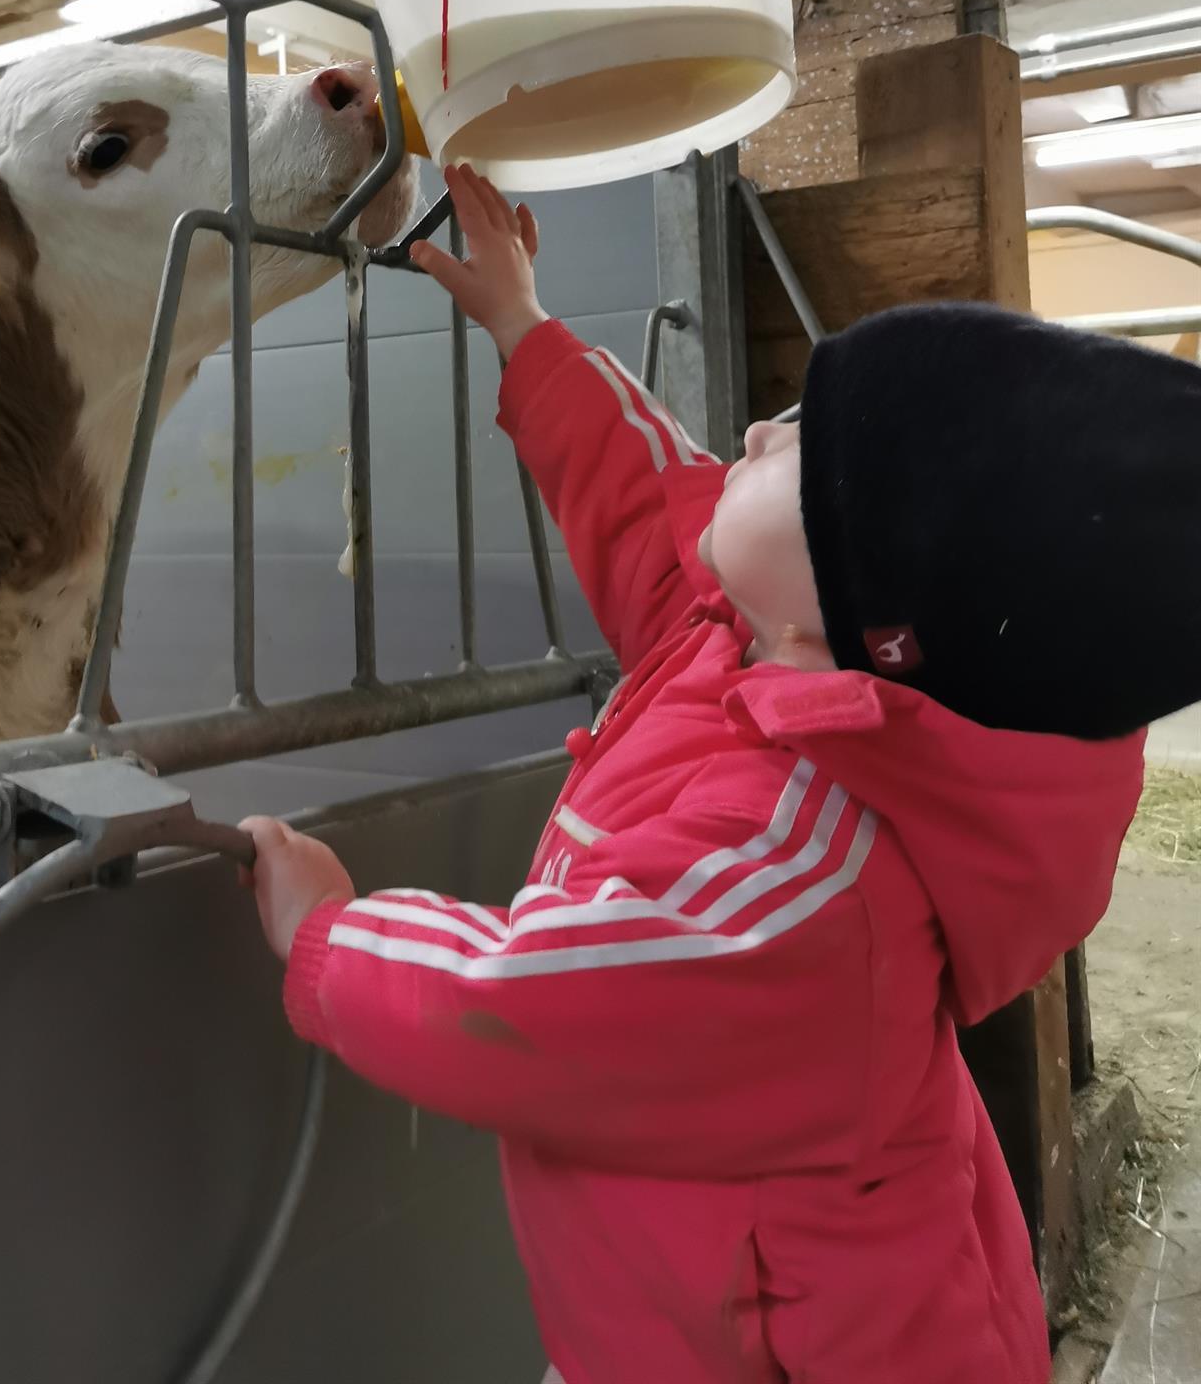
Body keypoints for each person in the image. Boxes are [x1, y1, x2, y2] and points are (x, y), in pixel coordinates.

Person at [241, 164, 1201, 1384]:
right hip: (684, 1318)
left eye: (800, 443)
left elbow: (531, 1000)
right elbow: (651, 496)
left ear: (866, 607)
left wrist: (330, 934)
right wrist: (523, 325)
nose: (755, 430)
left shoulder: (802, 882)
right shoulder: (753, 633)